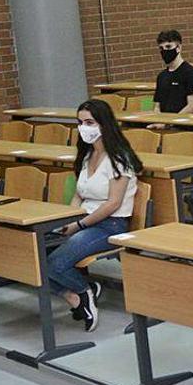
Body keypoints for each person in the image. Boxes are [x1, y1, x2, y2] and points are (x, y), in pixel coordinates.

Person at [47, 99, 142, 332]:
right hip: (83, 221)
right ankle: (78, 295)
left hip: (110, 225)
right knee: (34, 254)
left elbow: (113, 203)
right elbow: (79, 195)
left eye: (89, 122)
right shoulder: (87, 155)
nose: (84, 128)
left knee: (56, 263)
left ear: (104, 123)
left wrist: (78, 225)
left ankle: (83, 291)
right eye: (80, 123)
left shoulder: (120, 158)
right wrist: (68, 220)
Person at [151, 29, 193, 130]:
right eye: (161, 48)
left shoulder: (190, 73)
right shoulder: (161, 76)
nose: (164, 51)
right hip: (163, 124)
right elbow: (157, 106)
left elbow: (192, 106)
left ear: (178, 48)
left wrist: (168, 124)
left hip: (181, 126)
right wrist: (158, 121)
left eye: (168, 47)